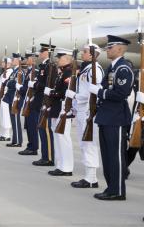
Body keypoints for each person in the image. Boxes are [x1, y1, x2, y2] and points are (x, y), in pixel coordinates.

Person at [91, 35, 134, 201]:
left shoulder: (123, 68)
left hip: (115, 117)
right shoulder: (112, 67)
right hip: (106, 116)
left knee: (115, 156)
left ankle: (118, 190)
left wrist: (99, 92)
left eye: (110, 47)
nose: (107, 50)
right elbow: (105, 86)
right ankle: (111, 188)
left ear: (120, 49)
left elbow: (121, 93)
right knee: (107, 155)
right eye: (107, 47)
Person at [70, 43, 103, 188]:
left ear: (91, 55)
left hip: (89, 111)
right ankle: (90, 177)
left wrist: (75, 96)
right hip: (82, 110)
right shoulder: (87, 69)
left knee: (89, 144)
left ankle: (91, 178)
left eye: (84, 52)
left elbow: (94, 91)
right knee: (84, 143)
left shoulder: (95, 69)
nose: (82, 54)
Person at [47, 47, 74, 176]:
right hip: (56, 108)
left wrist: (52, 93)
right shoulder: (62, 72)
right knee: (58, 137)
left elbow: (65, 92)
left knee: (63, 138)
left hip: (63, 108)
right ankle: (60, 165)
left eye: (60, 57)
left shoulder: (69, 73)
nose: (58, 60)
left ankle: (67, 167)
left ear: (67, 59)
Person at [30, 44, 57, 166]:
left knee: (45, 129)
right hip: (40, 100)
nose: (40, 53)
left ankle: (49, 158)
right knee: (41, 128)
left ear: (47, 53)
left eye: (42, 51)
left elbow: (48, 84)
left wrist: (35, 85)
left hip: (45, 101)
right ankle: (45, 156)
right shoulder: (44, 66)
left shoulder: (50, 66)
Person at [18, 49, 40, 156]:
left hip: (33, 102)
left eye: (28, 58)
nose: (27, 60)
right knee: (28, 125)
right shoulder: (30, 71)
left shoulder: (35, 71)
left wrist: (21, 89)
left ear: (33, 59)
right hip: (28, 102)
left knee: (32, 126)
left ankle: (33, 147)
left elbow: (33, 89)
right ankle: (30, 145)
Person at [3, 53, 25, 147]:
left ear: (18, 61)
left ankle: (18, 141)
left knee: (16, 120)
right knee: (13, 120)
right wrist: (9, 83)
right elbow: (8, 81)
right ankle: (14, 139)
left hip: (15, 98)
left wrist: (9, 83)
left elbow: (15, 84)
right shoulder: (14, 71)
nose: (12, 60)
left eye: (14, 59)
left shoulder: (20, 72)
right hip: (11, 98)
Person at [0, 57, 12, 141]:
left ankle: (6, 135)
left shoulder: (9, 72)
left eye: (4, 63)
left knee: (5, 116)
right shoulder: (5, 72)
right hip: (1, 97)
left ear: (8, 64)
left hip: (5, 96)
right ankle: (4, 134)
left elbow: (4, 86)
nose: (2, 64)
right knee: (2, 116)